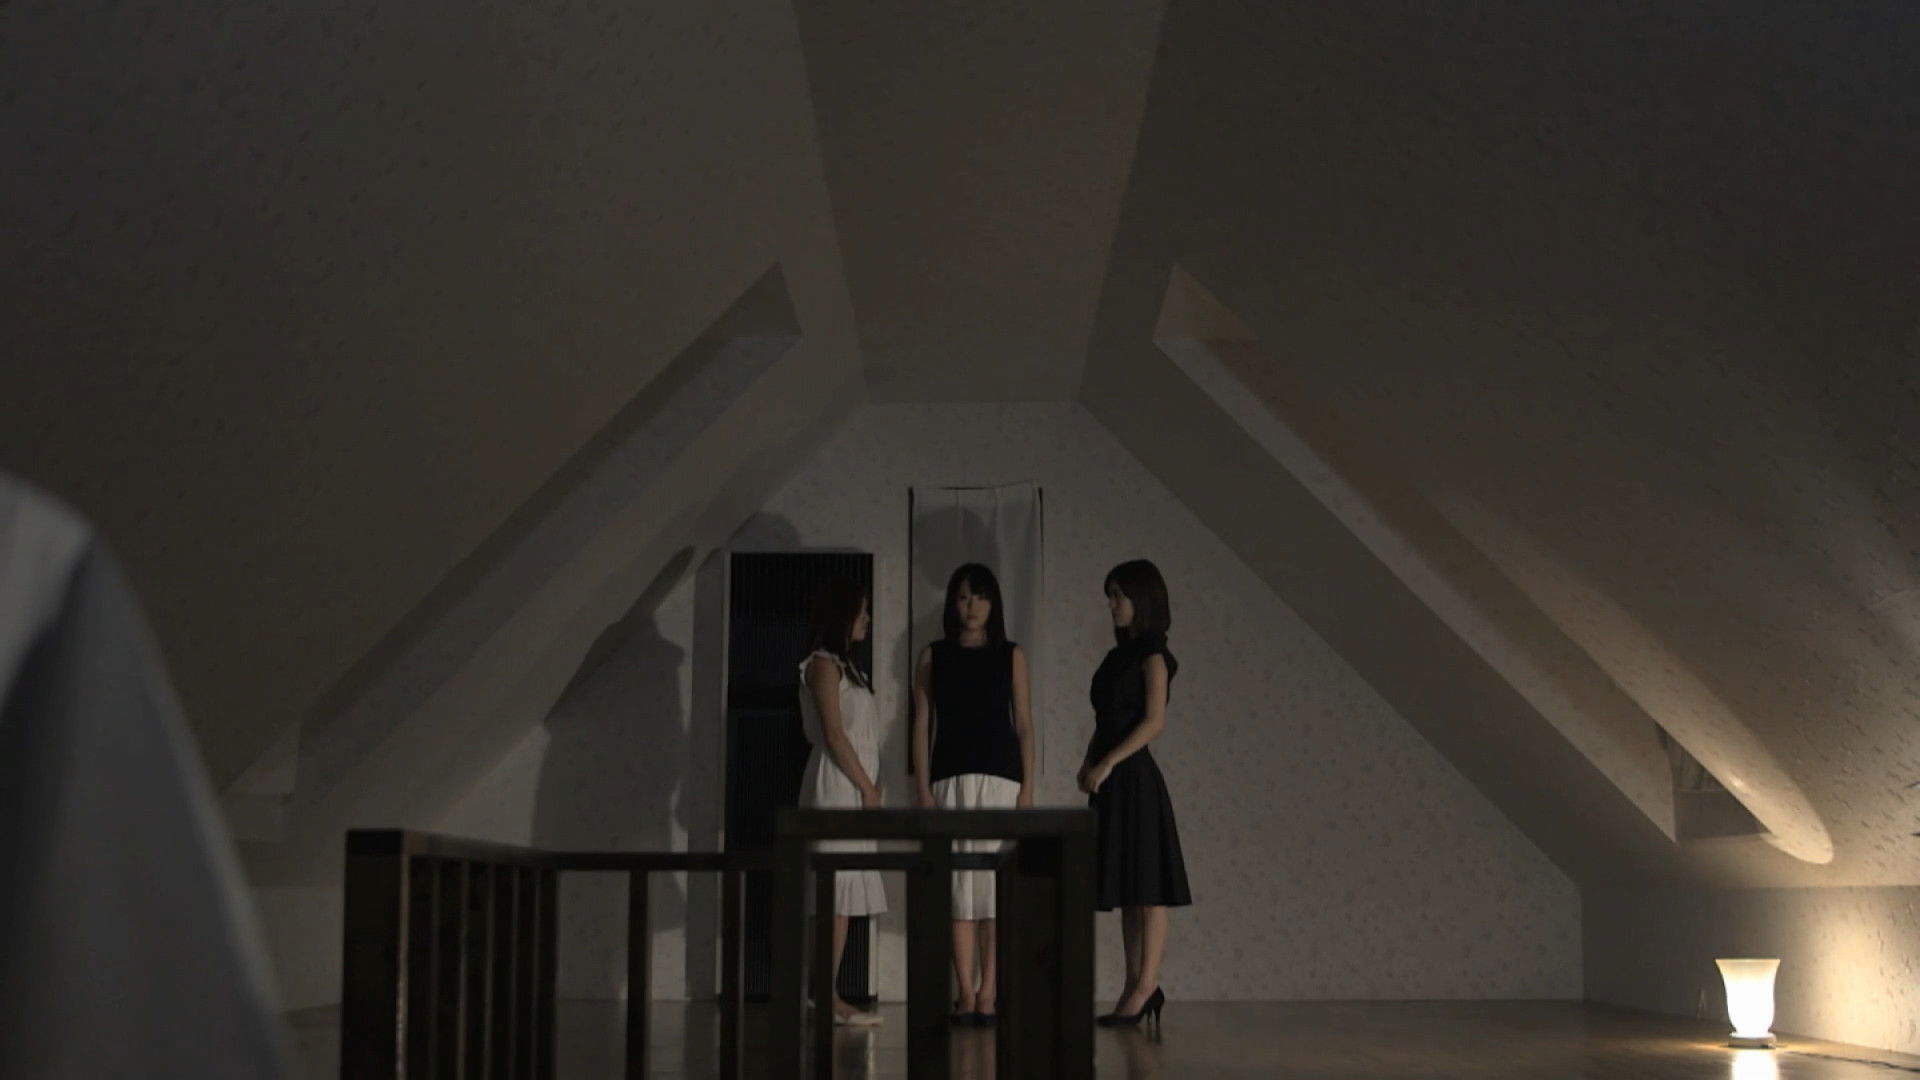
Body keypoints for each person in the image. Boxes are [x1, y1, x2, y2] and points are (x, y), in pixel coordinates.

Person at [910, 564, 1034, 1026]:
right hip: (950, 780)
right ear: (952, 603)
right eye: (963, 597)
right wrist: (923, 788)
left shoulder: (1011, 655)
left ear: (993, 602)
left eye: (980, 597)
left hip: (1001, 780)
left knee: (994, 891)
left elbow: (1025, 725)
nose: (972, 606)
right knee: (960, 891)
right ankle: (964, 991)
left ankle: (989, 992)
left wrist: (1027, 789)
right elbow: (921, 726)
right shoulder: (933, 655)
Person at [1077, 559, 1191, 1030]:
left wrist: (1108, 762)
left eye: (1118, 595)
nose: (1111, 605)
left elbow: (1153, 721)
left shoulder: (1154, 655)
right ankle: (1133, 986)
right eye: (1110, 595)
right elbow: (1105, 721)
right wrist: (1090, 761)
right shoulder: (1115, 657)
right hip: (1112, 782)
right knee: (1127, 888)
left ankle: (1147, 984)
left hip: (1136, 780)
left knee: (1148, 888)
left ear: (1141, 599)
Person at [796, 579, 887, 1026]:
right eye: (861, 611)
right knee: (834, 892)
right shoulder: (823, 665)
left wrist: (871, 785)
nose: (866, 619)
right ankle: (824, 995)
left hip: (854, 785)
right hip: (837, 785)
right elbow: (834, 735)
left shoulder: (849, 668)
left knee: (844, 896)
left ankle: (825, 992)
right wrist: (867, 788)